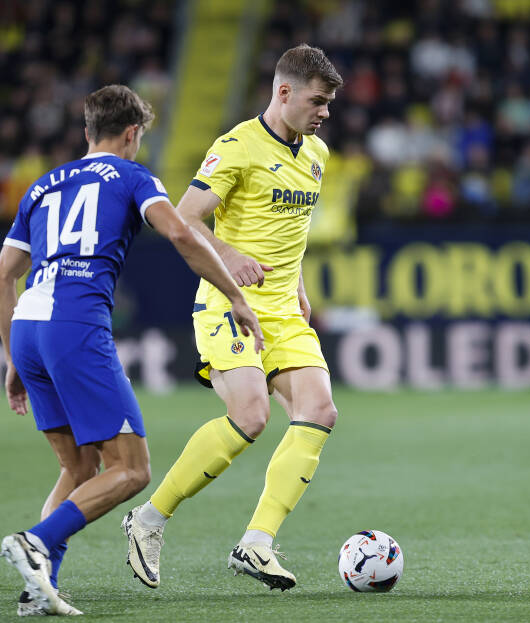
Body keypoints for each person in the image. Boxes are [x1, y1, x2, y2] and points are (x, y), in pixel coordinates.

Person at [0, 84, 263, 616]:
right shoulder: (134, 177)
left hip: (28, 329)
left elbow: (3, 279)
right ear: (132, 134)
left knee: (80, 466)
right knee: (133, 470)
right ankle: (36, 542)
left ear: (88, 131)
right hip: (74, 326)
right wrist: (234, 292)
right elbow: (182, 234)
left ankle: (38, 588)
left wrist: (12, 359)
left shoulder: (43, 185)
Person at [122, 44, 343, 592]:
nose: (323, 113)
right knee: (251, 415)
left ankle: (257, 544)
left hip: (285, 311)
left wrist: (299, 287)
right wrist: (231, 255)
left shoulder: (317, 154)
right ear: (284, 92)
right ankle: (148, 521)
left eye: (329, 104)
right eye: (316, 101)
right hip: (229, 302)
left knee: (319, 410)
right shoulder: (237, 146)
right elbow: (182, 218)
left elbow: (289, 235)